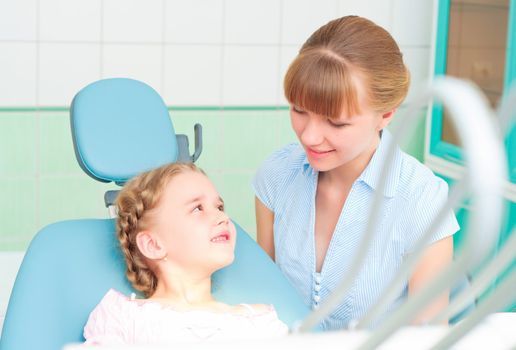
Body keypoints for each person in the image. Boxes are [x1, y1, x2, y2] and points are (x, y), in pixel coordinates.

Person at [253, 16, 459, 330]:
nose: (309, 136)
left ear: (386, 114)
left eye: (335, 123)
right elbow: (263, 299)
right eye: (299, 110)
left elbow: (427, 337)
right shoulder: (278, 175)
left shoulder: (422, 200)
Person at [84, 163, 288, 345]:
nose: (222, 217)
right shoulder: (125, 319)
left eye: (219, 206)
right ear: (153, 244)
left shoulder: (259, 324)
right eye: (197, 208)